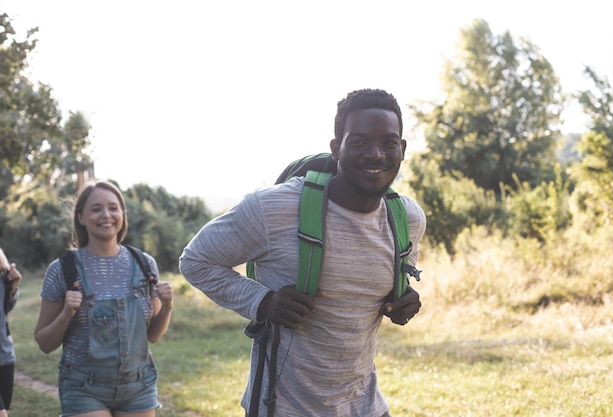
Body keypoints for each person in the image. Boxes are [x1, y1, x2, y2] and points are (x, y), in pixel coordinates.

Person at [179, 88, 427, 417]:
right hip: (283, 407)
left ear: (402, 149)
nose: (376, 154)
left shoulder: (407, 219)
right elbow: (195, 261)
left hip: (365, 406)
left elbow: (396, 280)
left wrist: (404, 299)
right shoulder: (274, 209)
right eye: (359, 142)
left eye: (388, 142)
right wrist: (264, 302)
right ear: (336, 149)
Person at [34, 180, 174, 417]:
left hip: (138, 385)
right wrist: (66, 313)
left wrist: (168, 306)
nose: (106, 215)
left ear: (122, 214)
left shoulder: (144, 263)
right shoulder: (62, 269)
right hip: (83, 387)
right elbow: (44, 343)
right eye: (96, 208)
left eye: (113, 207)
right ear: (80, 217)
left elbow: (152, 336)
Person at [0, 247, 22, 417]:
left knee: (5, 408)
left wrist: (12, 287)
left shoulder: (2, 273)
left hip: (4, 354)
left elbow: (4, 312)